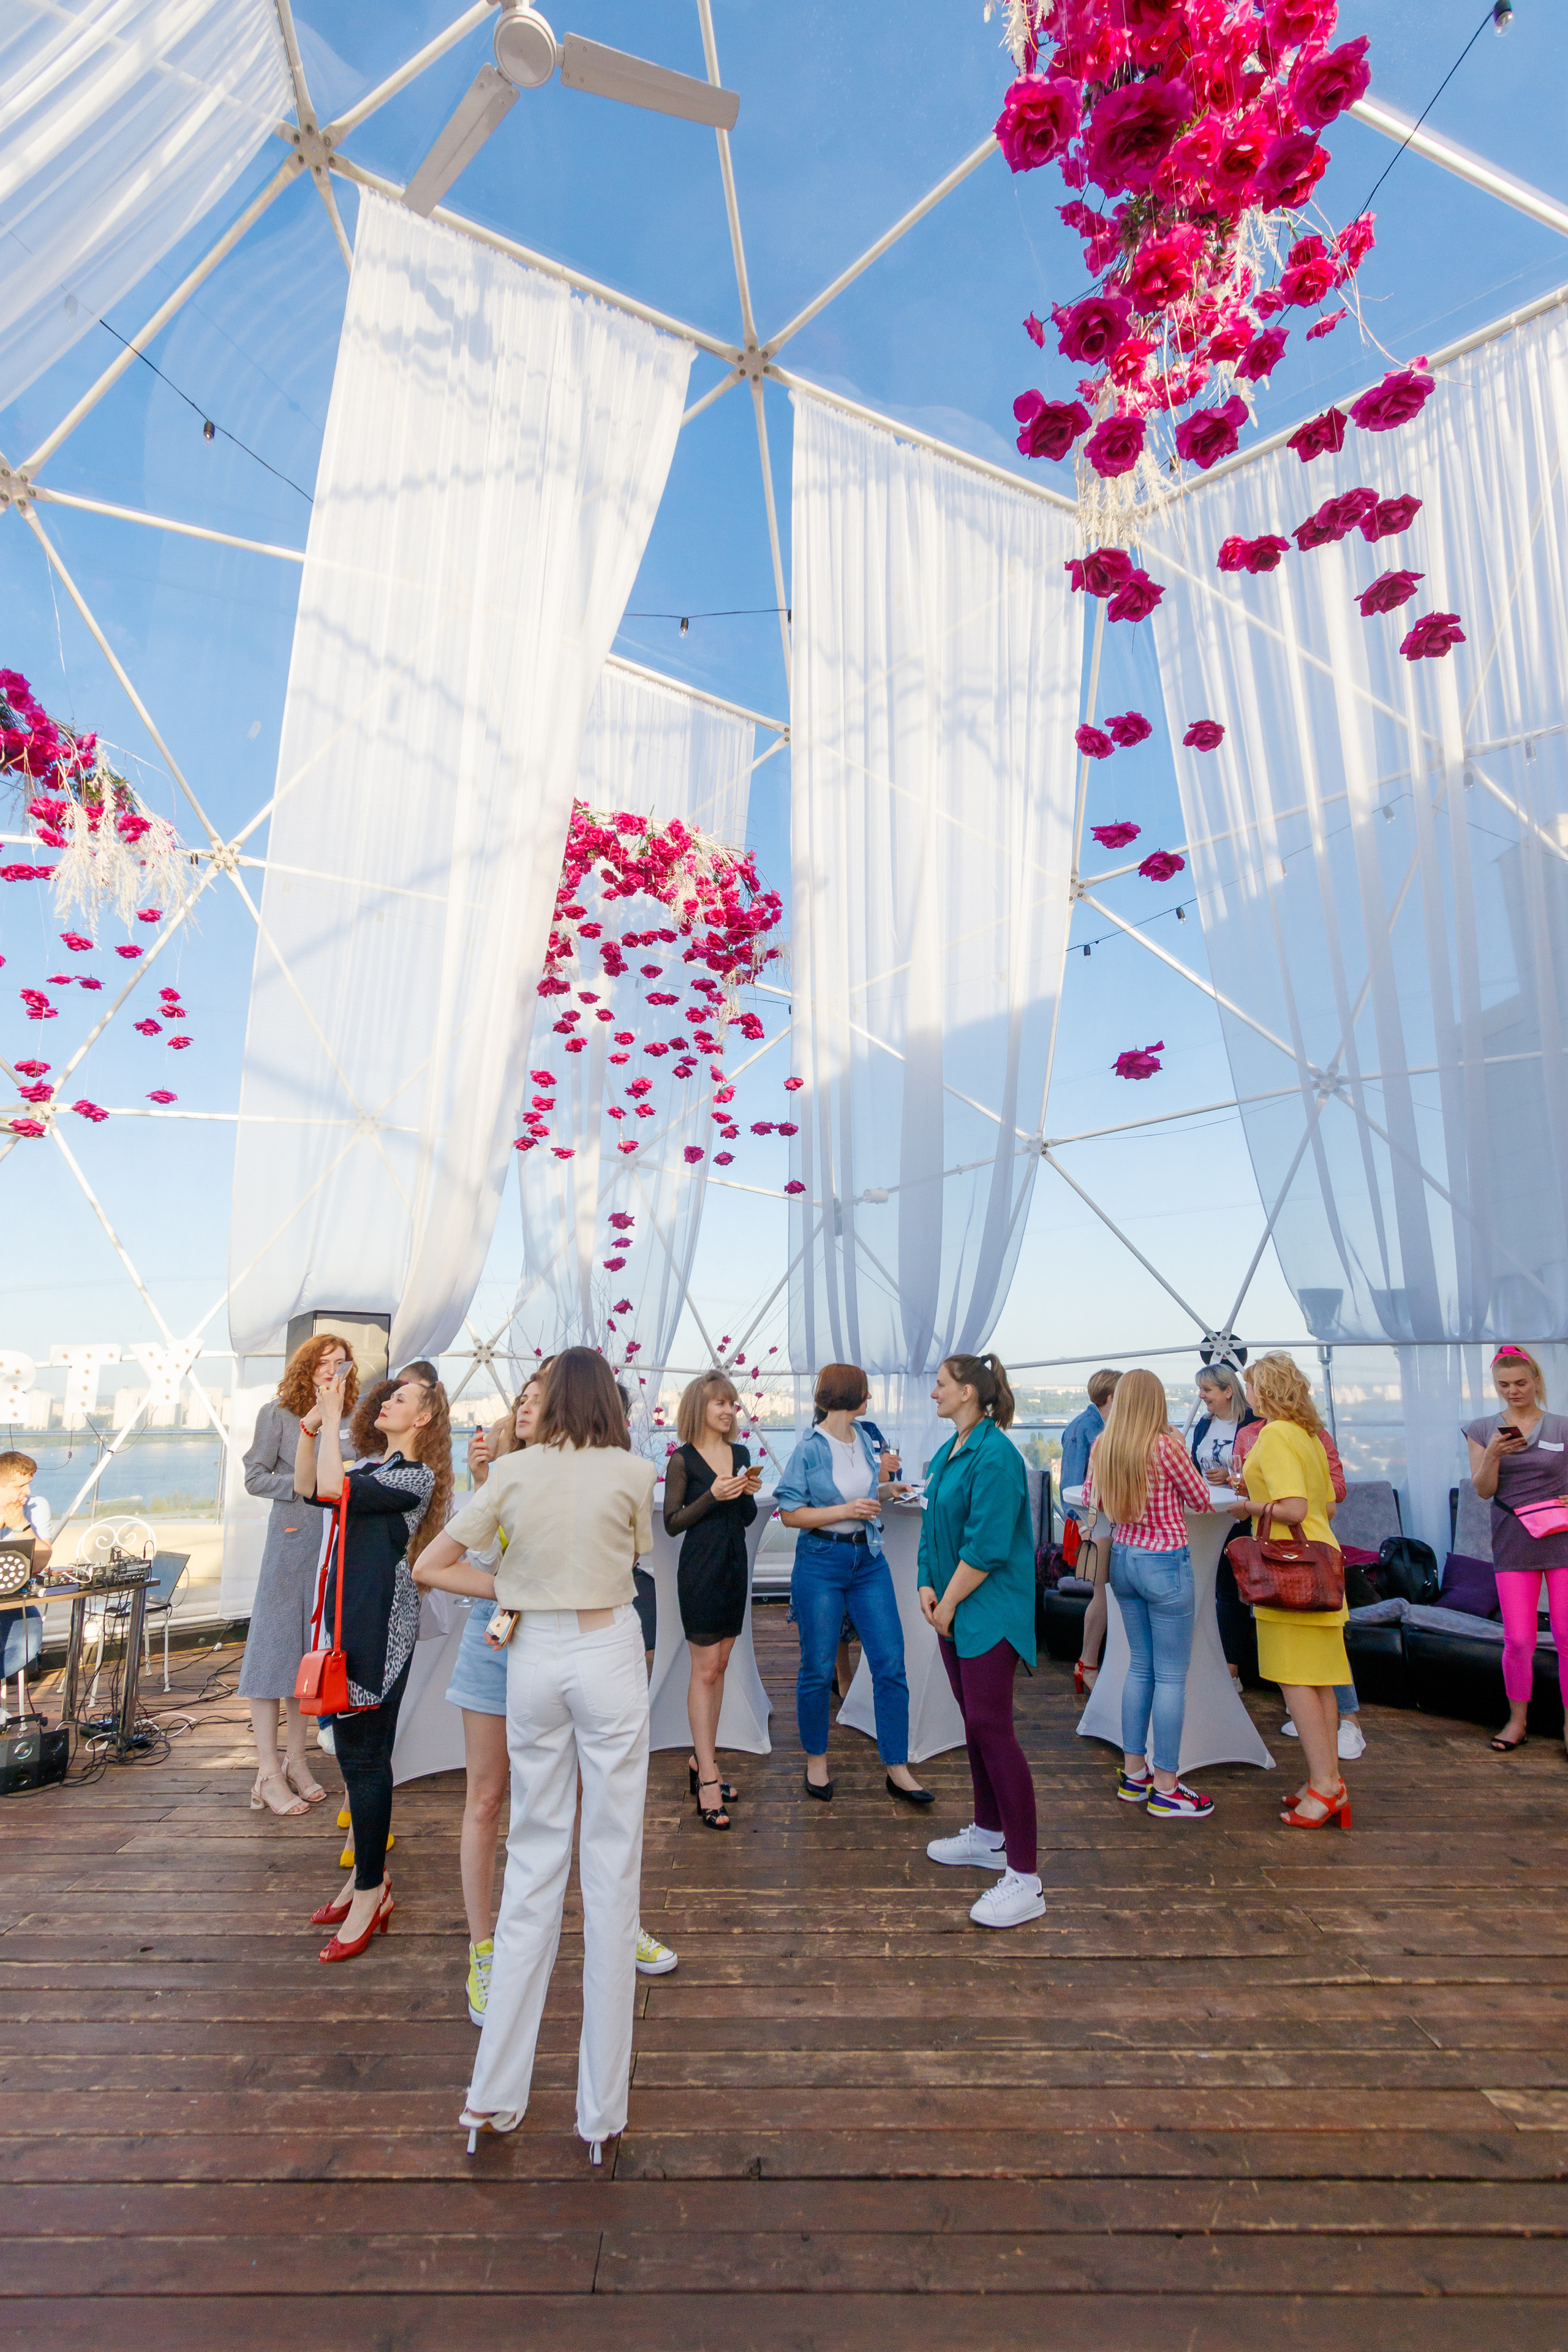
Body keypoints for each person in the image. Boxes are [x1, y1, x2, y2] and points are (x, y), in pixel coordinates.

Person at [412, 1348, 657, 2165]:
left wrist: (511, 1588)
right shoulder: (631, 1470)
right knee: (612, 1863)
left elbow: (431, 1566)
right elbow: (633, 1556)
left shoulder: (509, 1477)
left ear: (550, 1400)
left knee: (535, 1860)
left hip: (534, 1662)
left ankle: (494, 2098)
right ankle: (600, 2112)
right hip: (607, 1647)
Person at [451, 1372, 677, 2015]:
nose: (527, 1405)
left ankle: (614, 1923)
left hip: (570, 1641)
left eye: (538, 1397)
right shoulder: (501, 1473)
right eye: (520, 1398)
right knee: (488, 1797)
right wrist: (514, 1582)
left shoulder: (596, 1473)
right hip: (497, 1642)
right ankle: (485, 1949)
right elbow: (458, 1560)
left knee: (589, 1794)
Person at [296, 1369, 451, 1956]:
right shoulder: (367, 1467)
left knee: (366, 1758)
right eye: (387, 1396)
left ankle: (370, 1890)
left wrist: (333, 1420)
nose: (387, 1401)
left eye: (401, 1398)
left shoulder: (415, 1476)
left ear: (425, 1418)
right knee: (353, 1754)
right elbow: (311, 1487)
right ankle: (364, 1879)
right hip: (346, 1619)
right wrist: (314, 1427)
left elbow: (334, 1490)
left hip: (379, 1624)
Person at [918, 1353, 1042, 1928]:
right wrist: (926, 1582)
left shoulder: (995, 1456)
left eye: (942, 1384)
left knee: (993, 1729)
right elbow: (931, 1527)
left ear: (969, 1391)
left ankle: (1025, 1878)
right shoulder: (950, 1451)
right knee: (975, 1724)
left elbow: (989, 1547)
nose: (935, 1392)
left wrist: (947, 1602)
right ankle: (989, 1833)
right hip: (955, 1610)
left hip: (986, 1611)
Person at [774, 1363, 930, 1808]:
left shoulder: (863, 1438)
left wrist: (886, 1491)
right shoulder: (808, 1448)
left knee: (889, 1661)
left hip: (869, 1561)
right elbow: (790, 1514)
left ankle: (897, 1767)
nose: (870, 1399)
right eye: (865, 1392)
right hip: (821, 1562)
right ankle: (817, 1760)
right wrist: (846, 1509)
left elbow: (864, 1497)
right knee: (818, 1667)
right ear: (847, 1395)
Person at [1084, 1368, 1216, 1820]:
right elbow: (1200, 1500)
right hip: (1165, 1564)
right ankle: (1167, 1785)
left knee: (1139, 1668)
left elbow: (1089, 1497)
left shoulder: (1105, 1444)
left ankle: (1133, 1773)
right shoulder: (1167, 1445)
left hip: (1122, 1560)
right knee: (1171, 1676)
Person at [238, 1334, 360, 1818]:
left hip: (337, 1542)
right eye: (324, 1363)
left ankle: (296, 1759)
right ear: (306, 1369)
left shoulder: (352, 1418)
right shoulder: (279, 1413)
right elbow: (253, 1476)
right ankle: (266, 1771)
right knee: (272, 1649)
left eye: (341, 1363)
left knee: (308, 1652)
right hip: (293, 1539)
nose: (333, 1371)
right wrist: (304, 1484)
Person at [1232, 1353, 1350, 1828]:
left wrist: (1246, 1504)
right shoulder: (1308, 1435)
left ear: (1265, 1390)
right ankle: (1328, 1780)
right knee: (1318, 1680)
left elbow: (1296, 1509)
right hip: (1321, 1565)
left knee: (1296, 1681)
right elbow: (1327, 1508)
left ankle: (1324, 1788)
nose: (1248, 1394)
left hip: (1289, 1572)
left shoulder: (1277, 1434)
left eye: (1252, 1386)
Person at [664, 1372, 760, 1828]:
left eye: (732, 1404)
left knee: (720, 1665)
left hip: (733, 1566)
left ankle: (704, 1761)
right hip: (700, 1569)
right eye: (719, 1404)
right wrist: (713, 1494)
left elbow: (741, 1519)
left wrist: (745, 1494)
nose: (728, 1411)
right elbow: (673, 1522)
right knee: (704, 1670)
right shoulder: (682, 1460)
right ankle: (708, 1776)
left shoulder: (739, 1454)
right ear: (698, 1408)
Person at [1465, 1344, 1568, 1757]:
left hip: (1562, 1539)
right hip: (1513, 1539)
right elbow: (1484, 1490)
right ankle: (1517, 1721)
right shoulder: (1481, 1428)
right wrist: (1492, 1454)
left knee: (1566, 1635)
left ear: (1537, 1381)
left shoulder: (1562, 1427)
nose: (1513, 1391)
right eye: (1504, 1385)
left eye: (1521, 1383)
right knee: (1520, 1640)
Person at [1188, 1360, 1259, 1687]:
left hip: (1241, 1517)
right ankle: (1224, 1665)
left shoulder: (1254, 1425)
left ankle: (1235, 1668)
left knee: (1237, 1591)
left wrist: (1231, 1479)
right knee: (1219, 1591)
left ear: (1229, 1391)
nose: (1202, 1396)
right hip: (1209, 1517)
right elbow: (1192, 1466)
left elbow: (1263, 1474)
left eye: (1207, 1390)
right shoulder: (1204, 1425)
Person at [1062, 1371, 1118, 1695]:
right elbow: (1070, 1486)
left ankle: (1090, 1663)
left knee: (1105, 1595)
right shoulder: (1085, 1429)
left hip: (1098, 1523)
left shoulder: (1094, 1426)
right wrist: (1084, 1527)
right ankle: (1089, 1663)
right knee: (1103, 1595)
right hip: (1092, 1525)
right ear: (1111, 1398)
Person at [0, 1451, 52, 1713]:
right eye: (20, 1485)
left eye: (29, 1483)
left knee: (28, 1637)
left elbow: (41, 1560)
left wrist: (21, 1526)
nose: (27, 1491)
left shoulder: (35, 1506)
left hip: (11, 1598)